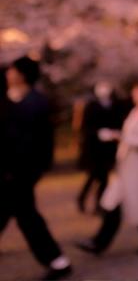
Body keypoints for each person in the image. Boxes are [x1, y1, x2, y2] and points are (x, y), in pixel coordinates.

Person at [0, 57, 74, 280]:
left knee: (25, 215)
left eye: (13, 70)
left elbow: (42, 140)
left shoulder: (37, 102)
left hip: (22, 170)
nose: (8, 73)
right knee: (23, 215)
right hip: (5, 170)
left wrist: (37, 167)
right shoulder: (4, 100)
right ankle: (57, 260)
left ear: (21, 74)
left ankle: (58, 261)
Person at [77, 78, 138, 255]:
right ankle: (99, 242)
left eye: (137, 90)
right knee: (113, 201)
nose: (134, 94)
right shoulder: (135, 111)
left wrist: (120, 138)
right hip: (128, 164)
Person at [77, 81, 126, 214]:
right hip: (94, 149)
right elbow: (85, 128)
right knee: (94, 176)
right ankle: (82, 199)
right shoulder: (91, 106)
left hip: (109, 149)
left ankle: (99, 203)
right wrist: (99, 133)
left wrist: (114, 133)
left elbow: (120, 121)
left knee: (104, 178)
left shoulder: (115, 105)